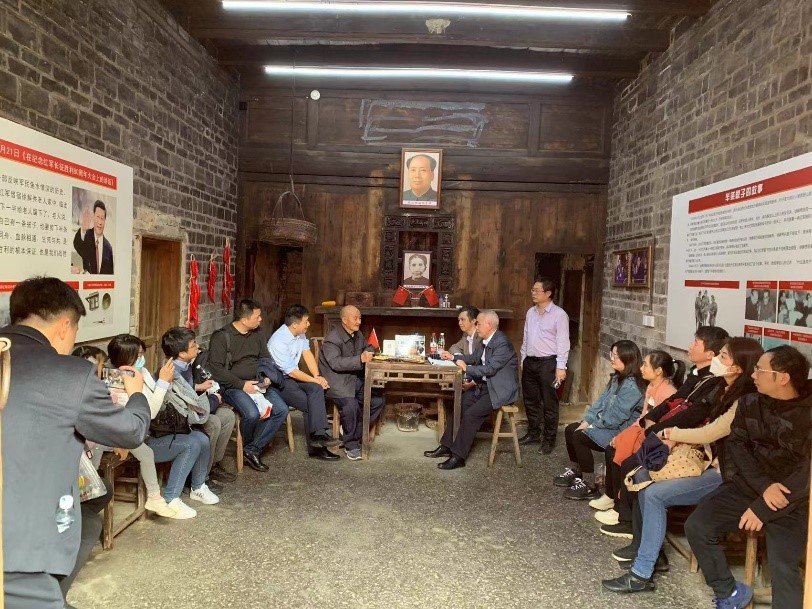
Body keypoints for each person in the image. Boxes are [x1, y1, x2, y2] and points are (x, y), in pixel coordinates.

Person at [1, 277, 150, 609]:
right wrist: (136, 394)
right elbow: (131, 431)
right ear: (64, 327)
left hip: (24, 536)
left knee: (89, 518)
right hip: (20, 551)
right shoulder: (71, 374)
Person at [602, 337, 763, 594]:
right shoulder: (719, 387)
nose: (717, 360)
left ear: (737, 367)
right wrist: (665, 433)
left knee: (653, 493)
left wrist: (671, 434)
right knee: (642, 477)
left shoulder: (745, 400)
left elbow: (712, 431)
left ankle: (641, 573)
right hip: (708, 462)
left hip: (726, 474)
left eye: (723, 356)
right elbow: (691, 412)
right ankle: (649, 556)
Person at [685, 345, 810, 609]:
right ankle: (728, 593)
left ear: (783, 378)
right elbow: (736, 445)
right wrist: (763, 487)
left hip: (794, 498)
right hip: (751, 486)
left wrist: (763, 508)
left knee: (783, 566)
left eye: (759, 370)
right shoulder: (750, 402)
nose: (753, 375)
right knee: (697, 526)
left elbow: (807, 473)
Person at [600, 325, 729, 539]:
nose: (690, 346)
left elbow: (693, 415)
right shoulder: (695, 374)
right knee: (618, 452)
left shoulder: (715, 383)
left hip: (686, 440)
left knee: (633, 464)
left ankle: (628, 521)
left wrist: (657, 430)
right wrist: (650, 421)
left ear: (710, 354)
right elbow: (673, 402)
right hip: (666, 431)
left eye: (696, 343)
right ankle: (619, 507)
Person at [108, 334, 219, 517]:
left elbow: (159, 401)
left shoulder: (142, 373)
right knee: (191, 444)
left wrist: (165, 383)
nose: (141, 359)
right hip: (142, 438)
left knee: (202, 438)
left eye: (142, 354)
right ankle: (171, 499)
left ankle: (198, 487)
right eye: (138, 356)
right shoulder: (118, 381)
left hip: (155, 430)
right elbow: (149, 412)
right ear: (125, 358)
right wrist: (162, 382)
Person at [423, 310, 519, 470]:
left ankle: (458, 456)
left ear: (489, 325)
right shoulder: (484, 340)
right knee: (459, 405)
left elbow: (490, 369)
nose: (476, 326)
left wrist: (467, 368)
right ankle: (447, 446)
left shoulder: (502, 343)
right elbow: (474, 359)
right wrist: (453, 357)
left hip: (499, 390)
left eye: (478, 323)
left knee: (471, 414)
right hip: (485, 386)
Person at [593, 349, 683, 515]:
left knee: (626, 460)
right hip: (642, 431)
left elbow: (660, 426)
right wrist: (623, 435)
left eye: (645, 365)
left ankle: (620, 508)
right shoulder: (651, 386)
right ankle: (611, 496)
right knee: (610, 448)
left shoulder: (668, 392)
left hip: (655, 438)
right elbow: (642, 417)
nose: (641, 368)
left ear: (658, 371)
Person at [553, 340, 645, 500]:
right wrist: (586, 421)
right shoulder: (617, 378)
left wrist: (592, 426)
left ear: (628, 359)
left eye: (616, 356)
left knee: (579, 436)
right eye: (612, 354)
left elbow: (616, 418)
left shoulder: (632, 386)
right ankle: (577, 472)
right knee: (570, 429)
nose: (612, 359)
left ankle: (590, 486)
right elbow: (600, 402)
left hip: (620, 431)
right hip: (608, 425)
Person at [207, 299, 290, 472]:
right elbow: (216, 370)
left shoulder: (258, 332)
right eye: (257, 316)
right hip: (233, 386)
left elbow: (265, 357)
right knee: (251, 414)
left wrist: (266, 376)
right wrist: (242, 385)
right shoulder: (221, 337)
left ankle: (252, 450)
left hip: (258, 382)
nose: (261, 319)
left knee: (281, 410)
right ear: (244, 320)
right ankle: (250, 446)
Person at [162, 326, 237, 484]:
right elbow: (191, 406)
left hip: (193, 409)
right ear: (182, 353)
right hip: (184, 417)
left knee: (227, 416)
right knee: (213, 423)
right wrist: (215, 399)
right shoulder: (172, 372)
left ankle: (213, 465)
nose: (197, 347)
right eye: (193, 345)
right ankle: (199, 476)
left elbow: (187, 390)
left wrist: (198, 387)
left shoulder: (186, 365)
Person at [268, 304, 342, 461]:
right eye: (306, 321)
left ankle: (319, 437)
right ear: (295, 324)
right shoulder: (278, 341)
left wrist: (317, 376)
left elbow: (307, 354)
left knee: (316, 389)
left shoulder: (300, 334)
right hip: (279, 381)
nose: (308, 324)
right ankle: (318, 446)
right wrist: (315, 379)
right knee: (311, 404)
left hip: (293, 377)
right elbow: (291, 372)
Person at [318, 305, 385, 461]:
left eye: (360, 318)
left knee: (377, 401)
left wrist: (370, 351)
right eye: (355, 318)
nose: (359, 321)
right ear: (344, 320)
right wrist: (360, 359)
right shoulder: (332, 339)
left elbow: (368, 347)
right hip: (337, 383)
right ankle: (352, 445)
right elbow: (335, 363)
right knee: (351, 406)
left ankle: (352, 432)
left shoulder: (357, 334)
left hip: (354, 380)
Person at [518, 278, 570, 453]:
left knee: (549, 403)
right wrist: (523, 358)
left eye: (536, 290)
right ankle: (533, 433)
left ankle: (549, 439)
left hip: (549, 363)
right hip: (530, 362)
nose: (533, 293)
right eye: (532, 290)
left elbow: (563, 342)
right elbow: (526, 337)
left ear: (548, 293)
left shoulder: (559, 315)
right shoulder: (530, 312)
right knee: (530, 400)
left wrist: (561, 367)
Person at [440, 305, 482, 392]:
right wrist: (458, 356)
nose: (459, 323)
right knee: (444, 382)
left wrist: (472, 383)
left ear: (474, 320)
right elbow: (454, 347)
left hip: (478, 379)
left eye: (463, 319)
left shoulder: (481, 337)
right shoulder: (466, 335)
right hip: (467, 375)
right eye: (459, 320)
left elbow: (483, 364)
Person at [72, 200, 114, 274]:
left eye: (102, 218)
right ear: (93, 217)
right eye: (97, 217)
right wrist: (83, 229)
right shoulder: (87, 236)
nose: (100, 222)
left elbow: (110, 273)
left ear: (105, 221)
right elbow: (77, 244)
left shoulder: (108, 247)